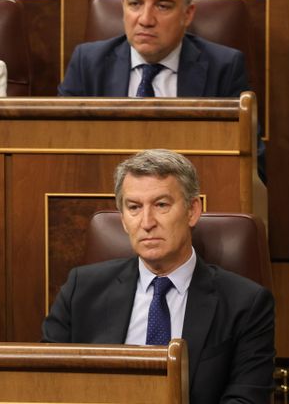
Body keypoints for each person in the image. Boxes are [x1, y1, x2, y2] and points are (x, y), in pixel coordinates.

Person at [42, 149, 275, 404]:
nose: (147, 222)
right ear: (123, 220)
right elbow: (48, 384)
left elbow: (246, 399)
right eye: (134, 207)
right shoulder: (81, 289)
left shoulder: (245, 303)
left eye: (161, 205)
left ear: (192, 211)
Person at [59, 0, 249, 98]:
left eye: (162, 6)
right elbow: (63, 139)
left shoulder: (224, 68)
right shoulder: (88, 64)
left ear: (187, 14)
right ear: (123, 5)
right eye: (135, 4)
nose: (145, 20)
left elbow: (245, 146)